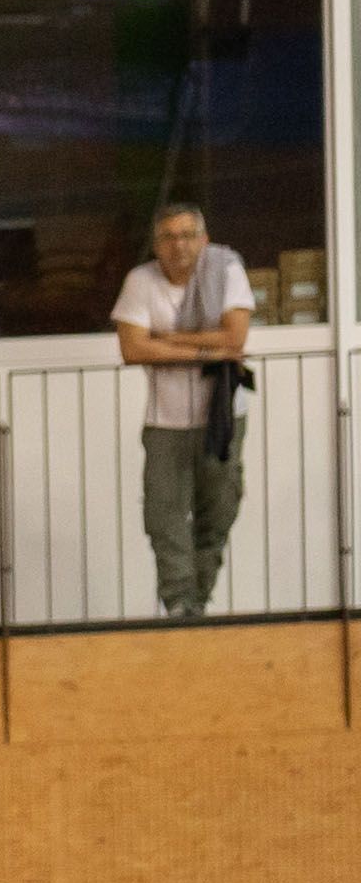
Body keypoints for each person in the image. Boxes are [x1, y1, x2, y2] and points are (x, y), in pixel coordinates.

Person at [114, 201, 258, 616]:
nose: (179, 246)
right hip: (166, 422)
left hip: (224, 416)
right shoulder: (140, 281)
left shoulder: (227, 271)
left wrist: (170, 340)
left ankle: (199, 598)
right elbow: (132, 348)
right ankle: (180, 604)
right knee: (164, 516)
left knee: (219, 510)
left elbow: (234, 340)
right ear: (156, 245)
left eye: (188, 235)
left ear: (204, 240)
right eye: (169, 237)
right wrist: (203, 347)